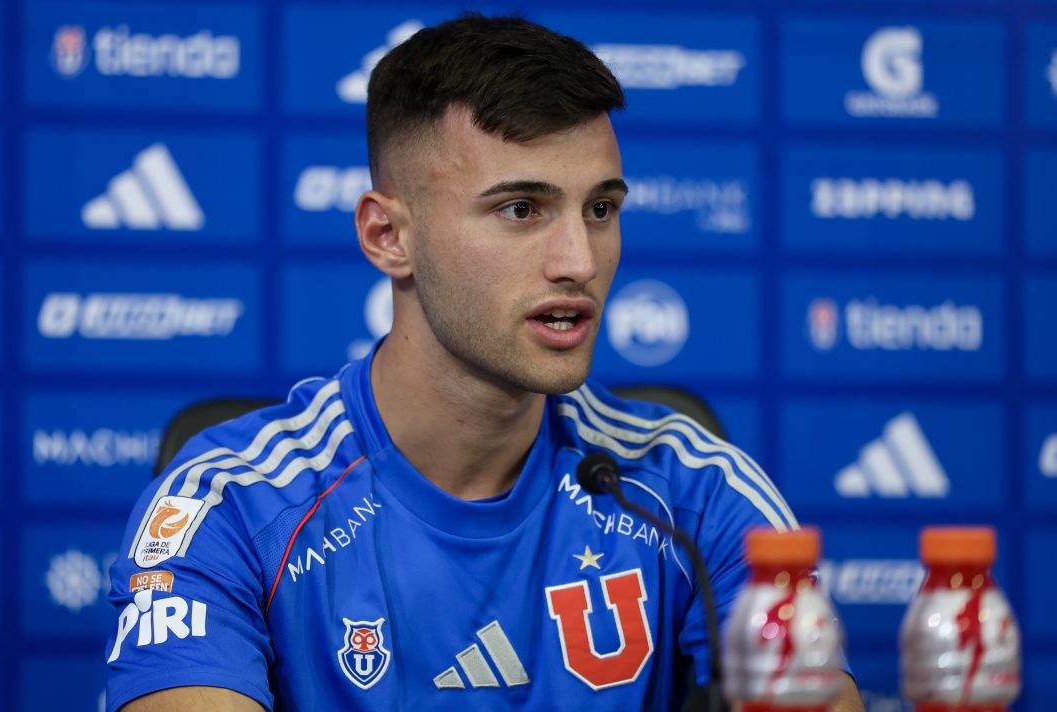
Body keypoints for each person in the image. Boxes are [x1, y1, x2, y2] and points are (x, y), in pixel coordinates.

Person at [105, 14, 865, 711]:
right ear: (387, 237)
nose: (578, 262)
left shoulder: (692, 494)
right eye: (521, 210)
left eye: (600, 209)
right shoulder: (229, 506)